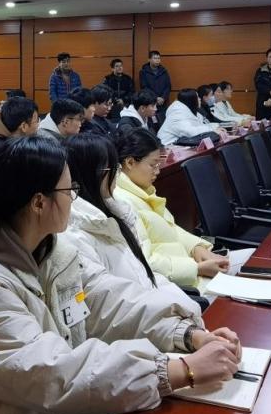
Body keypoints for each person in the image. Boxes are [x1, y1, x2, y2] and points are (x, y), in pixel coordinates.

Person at [0, 136, 242, 414]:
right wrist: (179, 370)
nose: (74, 198)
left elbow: (109, 302)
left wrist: (187, 334)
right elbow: (52, 374)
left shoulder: (54, 253)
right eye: (69, 190)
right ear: (39, 203)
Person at [64, 133, 205, 317]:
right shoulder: (75, 235)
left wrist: (196, 247)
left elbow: (144, 273)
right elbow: (113, 302)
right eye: (113, 168)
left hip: (157, 302)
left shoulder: (116, 209)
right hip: (141, 317)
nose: (117, 174)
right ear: (91, 174)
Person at [114, 128, 230, 287]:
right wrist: (196, 269)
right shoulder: (122, 202)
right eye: (153, 165)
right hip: (176, 284)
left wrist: (196, 248)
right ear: (130, 163)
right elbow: (144, 262)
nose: (158, 171)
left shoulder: (140, 190)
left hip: (185, 268)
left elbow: (170, 228)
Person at [157, 89, 228, 147]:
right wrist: (213, 130)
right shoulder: (177, 113)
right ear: (191, 100)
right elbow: (190, 132)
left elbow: (201, 126)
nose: (199, 99)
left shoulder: (192, 111)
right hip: (167, 147)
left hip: (182, 143)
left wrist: (216, 126)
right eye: (197, 97)